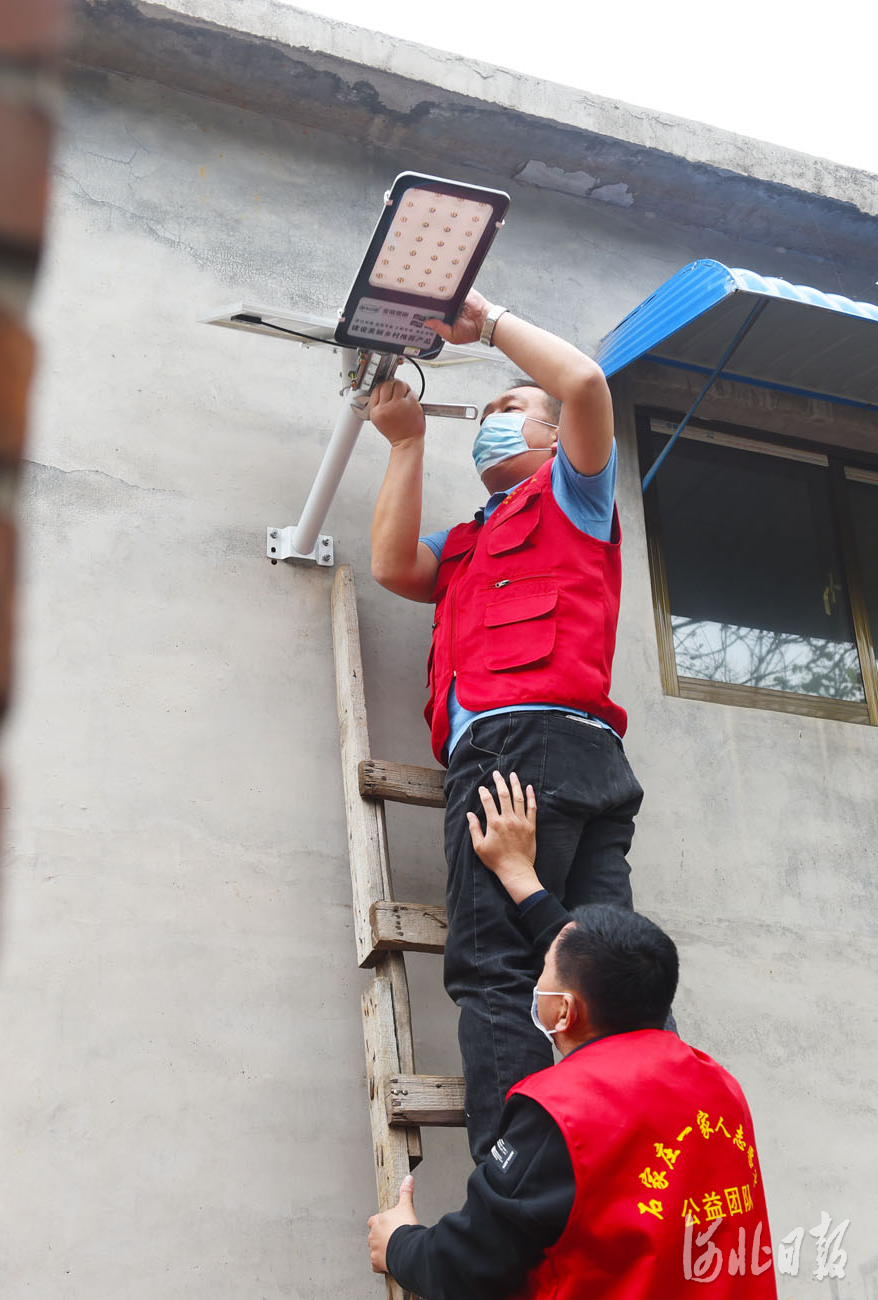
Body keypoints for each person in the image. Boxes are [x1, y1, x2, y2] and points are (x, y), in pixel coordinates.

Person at [368, 288, 643, 1160]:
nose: (492, 416)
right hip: (586, 762)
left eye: (512, 405)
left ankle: (514, 1194)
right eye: (484, 409)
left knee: (495, 974)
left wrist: (485, 325)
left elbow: (586, 382)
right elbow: (389, 563)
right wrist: (407, 441)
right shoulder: (468, 543)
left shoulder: (574, 495)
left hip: (520, 751)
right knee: (607, 971)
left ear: (558, 437)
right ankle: (629, 1159)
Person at [366, 775, 777, 1300]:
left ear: (563, 1012)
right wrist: (519, 874)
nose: (536, 979)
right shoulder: (721, 1088)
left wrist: (399, 1242)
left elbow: (470, 1267)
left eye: (543, 975)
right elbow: (589, 957)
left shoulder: (559, 1113)